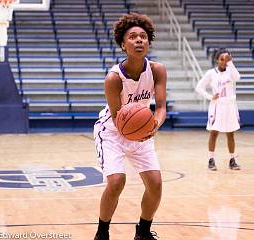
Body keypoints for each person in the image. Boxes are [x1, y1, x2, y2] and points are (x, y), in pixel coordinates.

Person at [93, 13, 167, 240]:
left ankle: (143, 232)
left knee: (155, 184)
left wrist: (154, 126)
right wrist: (140, 129)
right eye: (133, 37)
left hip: (142, 130)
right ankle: (102, 232)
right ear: (123, 45)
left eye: (143, 37)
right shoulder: (113, 79)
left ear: (149, 42)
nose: (139, 40)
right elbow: (118, 119)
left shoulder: (157, 70)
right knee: (116, 181)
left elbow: (161, 107)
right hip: (112, 132)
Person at [195, 48, 241, 171]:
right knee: (214, 133)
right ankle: (211, 160)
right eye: (222, 59)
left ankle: (232, 160)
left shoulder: (231, 71)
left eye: (226, 59)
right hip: (217, 106)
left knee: (230, 134)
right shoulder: (211, 73)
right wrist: (210, 97)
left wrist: (230, 63)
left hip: (230, 105)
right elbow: (199, 87)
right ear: (216, 60)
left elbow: (237, 77)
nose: (224, 62)